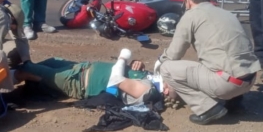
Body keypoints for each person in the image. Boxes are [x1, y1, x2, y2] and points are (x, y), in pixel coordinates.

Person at [153, 0, 261, 125]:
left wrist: (159, 62)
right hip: (250, 78)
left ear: (188, 2)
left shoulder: (190, 16)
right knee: (221, 58)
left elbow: (173, 55)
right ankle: (234, 102)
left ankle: (207, 109)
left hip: (228, 84)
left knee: (167, 68)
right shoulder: (226, 13)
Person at [14, 49, 162, 106]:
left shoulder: (147, 91)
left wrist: (123, 58)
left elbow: (116, 79)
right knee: (51, 61)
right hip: (81, 67)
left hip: (77, 82)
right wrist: (136, 64)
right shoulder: (150, 79)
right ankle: (35, 82)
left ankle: (1, 80)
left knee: (27, 69)